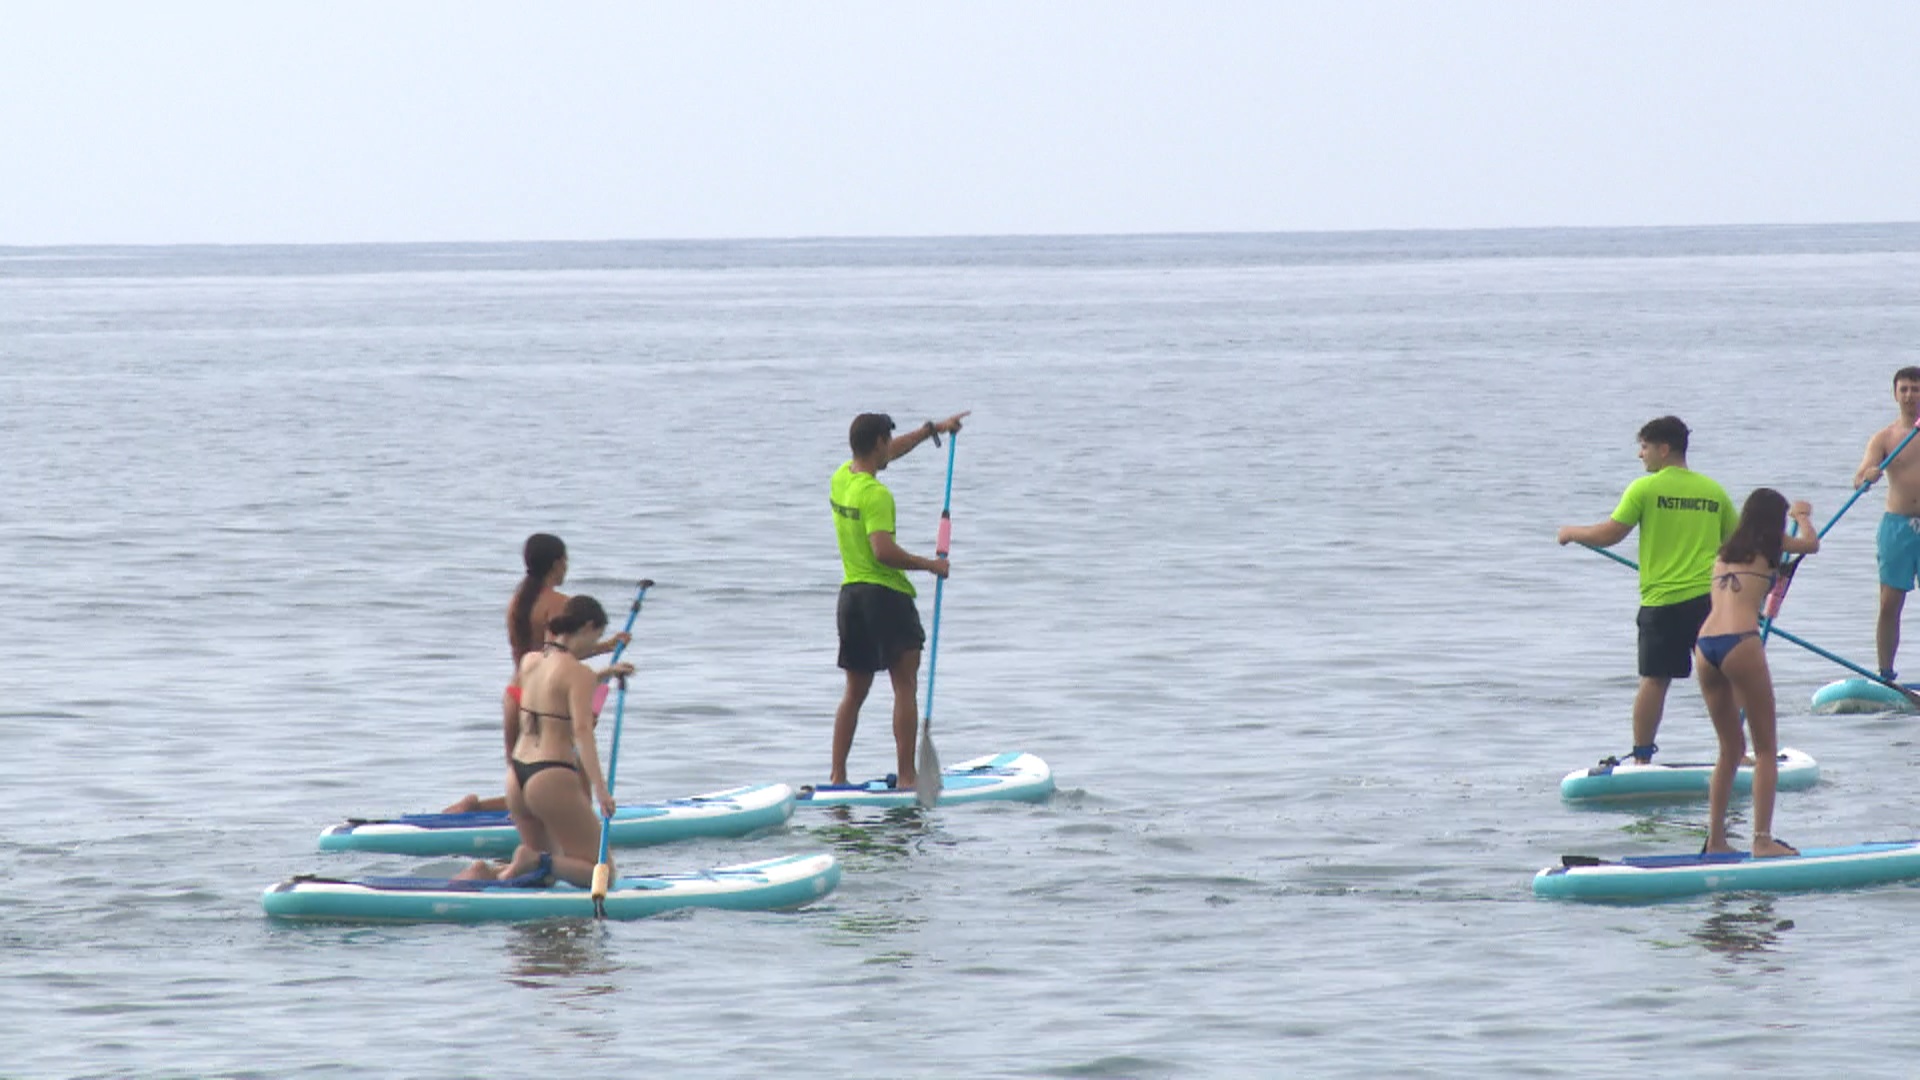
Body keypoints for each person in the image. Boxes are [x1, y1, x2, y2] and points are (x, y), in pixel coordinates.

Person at [1556, 416, 1737, 763]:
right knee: (1721, 679)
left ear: (1663, 448)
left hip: (1663, 603)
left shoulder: (1644, 489)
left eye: (1644, 447)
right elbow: (1736, 544)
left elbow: (1610, 534)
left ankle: (1641, 759)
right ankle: (1735, 753)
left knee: (1654, 681)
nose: (1641, 456)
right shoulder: (1714, 492)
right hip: (1711, 603)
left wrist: (1571, 533)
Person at [829, 410, 970, 790]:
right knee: (904, 684)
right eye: (886, 442)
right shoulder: (877, 496)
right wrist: (930, 565)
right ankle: (908, 778)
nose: (890, 447)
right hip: (885, 598)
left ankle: (837, 776)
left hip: (851, 599)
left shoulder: (842, 478)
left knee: (854, 692)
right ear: (877, 443)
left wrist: (932, 431)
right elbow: (883, 552)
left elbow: (892, 452)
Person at [443, 534, 629, 813]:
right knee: (576, 788)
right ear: (556, 564)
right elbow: (560, 658)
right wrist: (605, 660)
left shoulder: (517, 602)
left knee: (524, 784)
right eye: (566, 560)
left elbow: (546, 654)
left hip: (515, 693)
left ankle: (476, 808)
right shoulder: (559, 604)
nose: (567, 566)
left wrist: (606, 647)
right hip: (543, 701)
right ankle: (579, 829)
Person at [455, 595, 633, 884]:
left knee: (542, 878)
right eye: (596, 637)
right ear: (588, 627)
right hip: (550, 777)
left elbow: (554, 690)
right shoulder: (580, 674)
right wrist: (601, 791)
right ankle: (533, 858)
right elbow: (583, 733)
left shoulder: (530, 662)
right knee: (603, 875)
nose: (594, 645)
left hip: (517, 777)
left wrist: (605, 674)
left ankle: (486, 874)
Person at [1696, 489, 1818, 858]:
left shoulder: (1726, 551)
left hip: (1705, 646)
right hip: (1740, 643)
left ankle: (1715, 840)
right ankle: (1762, 839)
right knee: (1765, 749)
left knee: (1730, 749)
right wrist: (1802, 516)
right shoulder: (1773, 544)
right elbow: (1810, 545)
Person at [1853, 366, 1920, 684]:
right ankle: (1886, 674)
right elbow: (1859, 476)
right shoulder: (1885, 437)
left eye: (1916, 389)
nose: (1910, 395)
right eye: (1904, 389)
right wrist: (1867, 476)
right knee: (1889, 603)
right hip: (1897, 527)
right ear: (1895, 394)